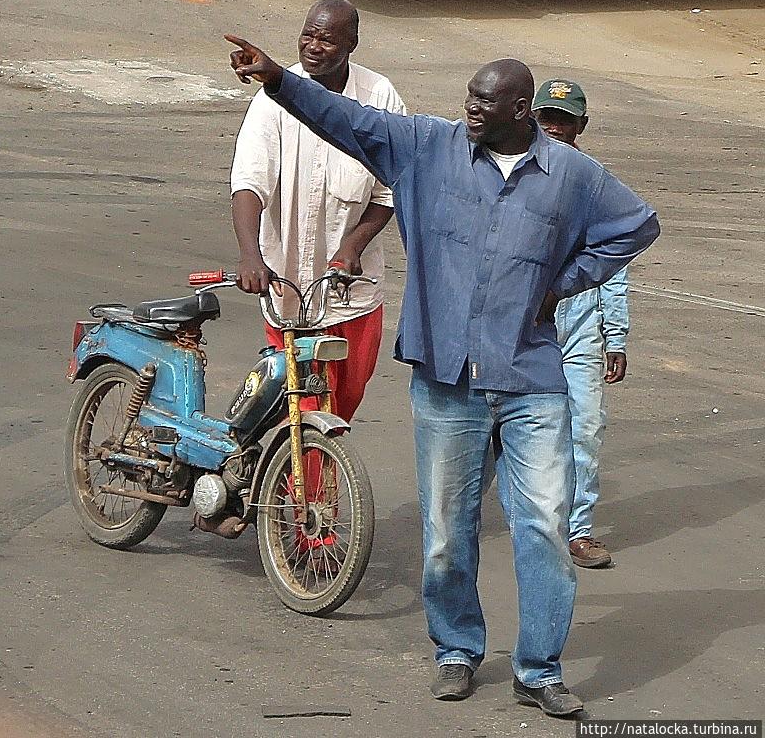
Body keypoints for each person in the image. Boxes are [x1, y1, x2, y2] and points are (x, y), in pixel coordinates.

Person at [224, 35, 660, 716]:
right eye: (470, 100)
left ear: (522, 107)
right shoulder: (428, 147)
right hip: (446, 376)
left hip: (531, 376)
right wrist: (278, 79)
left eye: (487, 103)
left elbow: (636, 225)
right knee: (447, 530)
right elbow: (348, 121)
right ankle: (457, 649)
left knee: (544, 524)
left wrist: (566, 282)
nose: (473, 112)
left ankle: (539, 669)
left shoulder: (572, 174)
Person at [229, 0, 406, 424]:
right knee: (296, 411)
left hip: (351, 297)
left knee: (338, 411)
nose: (312, 46)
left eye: (326, 39)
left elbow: (389, 191)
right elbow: (248, 183)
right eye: (307, 34)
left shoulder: (379, 96)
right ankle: (289, 489)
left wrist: (353, 244)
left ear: (352, 43)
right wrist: (251, 256)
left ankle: (311, 487)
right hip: (286, 291)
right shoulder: (273, 96)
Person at [532, 79, 629, 569]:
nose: (553, 127)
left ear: (581, 127)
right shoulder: (511, 173)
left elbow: (615, 259)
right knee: (503, 424)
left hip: (580, 326)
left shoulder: (596, 183)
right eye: (546, 117)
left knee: (585, 426)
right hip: (525, 322)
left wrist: (616, 334)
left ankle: (579, 528)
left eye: (564, 121)